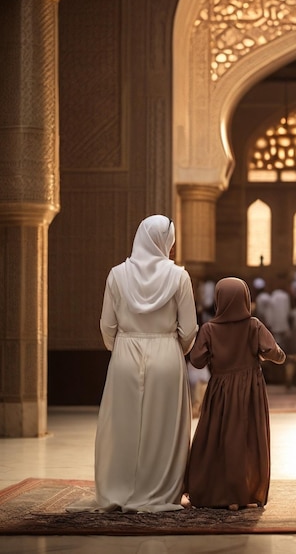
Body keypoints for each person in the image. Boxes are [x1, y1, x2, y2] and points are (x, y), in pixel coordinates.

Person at [70, 215, 198, 513]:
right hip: (167, 354)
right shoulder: (179, 276)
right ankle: (159, 491)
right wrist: (172, 349)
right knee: (163, 427)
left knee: (123, 425)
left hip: (125, 354)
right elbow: (189, 329)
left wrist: (123, 349)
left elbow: (107, 326)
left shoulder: (117, 274)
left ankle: (119, 488)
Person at [185, 277, 286, 509]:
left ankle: (217, 492)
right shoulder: (254, 325)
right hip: (250, 389)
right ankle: (244, 493)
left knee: (218, 438)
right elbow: (275, 354)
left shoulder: (210, 328)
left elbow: (197, 360)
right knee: (246, 438)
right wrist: (265, 355)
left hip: (220, 389)